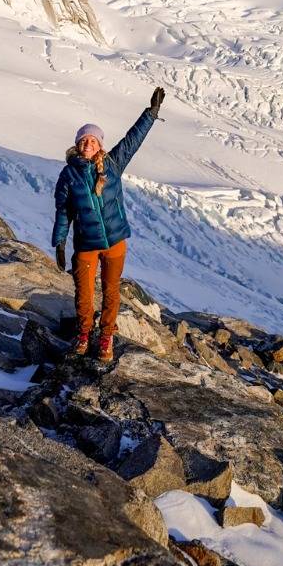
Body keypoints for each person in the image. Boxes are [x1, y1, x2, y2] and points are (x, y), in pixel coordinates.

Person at [52, 88, 165, 362]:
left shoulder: (113, 164)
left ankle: (105, 337)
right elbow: (63, 211)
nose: (87, 144)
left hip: (115, 241)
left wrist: (150, 114)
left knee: (112, 290)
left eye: (92, 140)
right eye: (83, 140)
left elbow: (133, 139)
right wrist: (60, 241)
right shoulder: (68, 175)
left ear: (99, 145)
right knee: (85, 293)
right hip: (87, 244)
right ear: (77, 145)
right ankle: (83, 333)